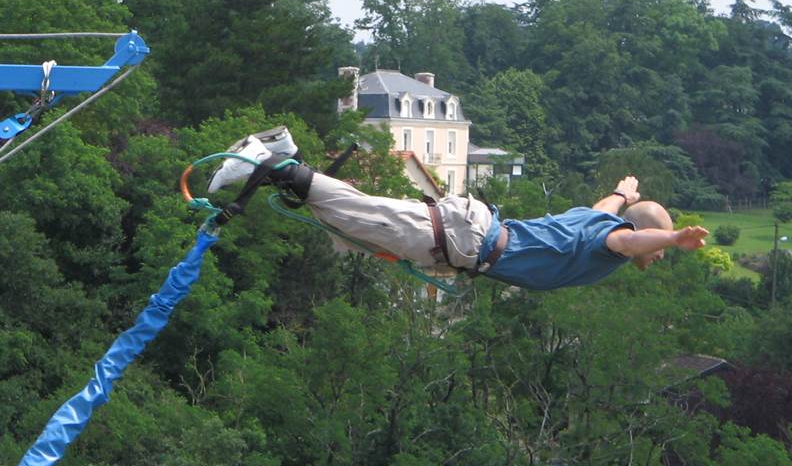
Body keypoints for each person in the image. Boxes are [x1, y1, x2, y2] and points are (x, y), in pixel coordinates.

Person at [207, 128, 709, 291]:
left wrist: (624, 190)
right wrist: (672, 237)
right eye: (660, 245)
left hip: (469, 235)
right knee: (358, 218)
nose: (661, 254)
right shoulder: (614, 243)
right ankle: (269, 159)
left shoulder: (601, 216)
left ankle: (286, 159)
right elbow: (626, 239)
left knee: (352, 220)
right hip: (467, 240)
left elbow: (610, 210)